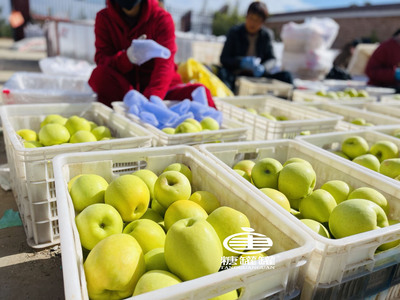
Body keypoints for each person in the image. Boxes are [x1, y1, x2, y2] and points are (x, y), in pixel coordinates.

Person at [88, 0, 216, 107]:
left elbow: (164, 65)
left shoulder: (161, 19)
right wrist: (127, 58)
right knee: (99, 75)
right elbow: (102, 60)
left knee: (200, 93)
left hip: (161, 90)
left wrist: (152, 100)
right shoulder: (104, 19)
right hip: (125, 91)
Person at [218, 1, 293, 92]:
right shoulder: (234, 32)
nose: (253, 23)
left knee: (286, 76)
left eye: (257, 20)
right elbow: (224, 58)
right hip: (236, 75)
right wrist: (241, 62)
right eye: (251, 18)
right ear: (246, 17)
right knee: (222, 73)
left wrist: (263, 68)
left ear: (262, 22)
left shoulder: (266, 35)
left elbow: (272, 59)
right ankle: (230, 95)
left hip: (258, 77)